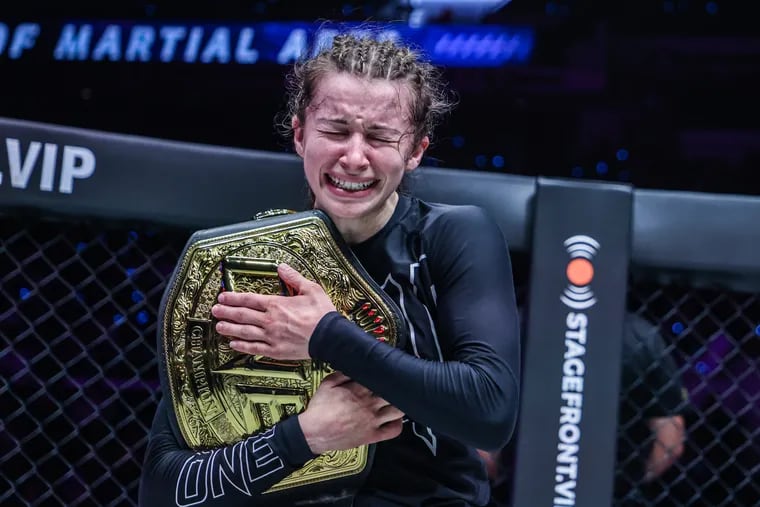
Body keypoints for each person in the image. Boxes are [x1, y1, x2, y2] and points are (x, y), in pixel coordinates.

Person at [139, 31, 521, 506]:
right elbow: (163, 490)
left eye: (380, 137)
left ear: (415, 150)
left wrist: (324, 335)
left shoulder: (453, 236)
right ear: (300, 134)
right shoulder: (241, 265)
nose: (354, 156)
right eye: (336, 131)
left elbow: (490, 411)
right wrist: (303, 438)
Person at [477, 312, 686, 507]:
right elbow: (670, 436)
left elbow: (470, 421)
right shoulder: (640, 334)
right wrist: (629, 482)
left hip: (520, 487)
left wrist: (505, 475)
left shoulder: (511, 326)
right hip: (612, 491)